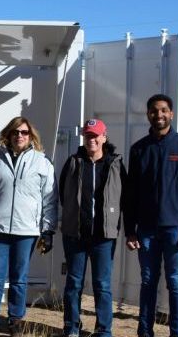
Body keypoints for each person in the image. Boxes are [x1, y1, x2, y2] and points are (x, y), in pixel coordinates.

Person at [122, 94, 178, 337]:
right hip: (146, 229)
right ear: (148, 114)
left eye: (164, 110)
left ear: (171, 113)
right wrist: (130, 229)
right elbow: (131, 194)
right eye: (154, 111)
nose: (159, 115)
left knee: (175, 282)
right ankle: (145, 331)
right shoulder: (139, 149)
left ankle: (177, 333)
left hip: (176, 229)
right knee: (147, 282)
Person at [0, 116, 57, 337]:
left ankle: (15, 321)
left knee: (19, 279)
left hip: (27, 231)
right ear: (8, 135)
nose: (19, 136)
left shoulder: (42, 162)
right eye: (15, 132)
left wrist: (48, 230)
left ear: (31, 136)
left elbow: (49, 199)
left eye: (24, 132)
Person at [57, 119, 127, 337]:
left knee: (102, 285)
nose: (92, 139)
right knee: (74, 284)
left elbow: (125, 197)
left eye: (96, 135)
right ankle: (71, 328)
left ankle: (104, 330)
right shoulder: (73, 162)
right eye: (88, 135)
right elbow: (63, 194)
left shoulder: (115, 164)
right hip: (75, 235)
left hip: (103, 237)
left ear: (104, 137)